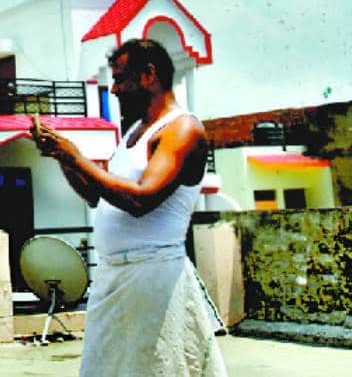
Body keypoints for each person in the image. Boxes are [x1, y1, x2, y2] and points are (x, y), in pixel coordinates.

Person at [29, 38, 227, 377]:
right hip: (113, 280)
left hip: (154, 278)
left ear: (149, 75)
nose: (116, 90)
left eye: (121, 79)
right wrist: (62, 157)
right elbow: (95, 194)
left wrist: (76, 155)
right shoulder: (134, 132)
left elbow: (140, 198)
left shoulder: (182, 128)